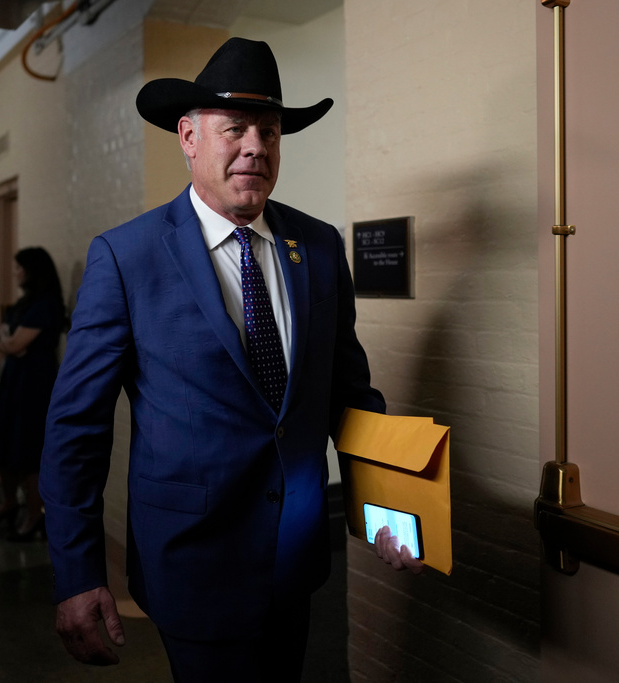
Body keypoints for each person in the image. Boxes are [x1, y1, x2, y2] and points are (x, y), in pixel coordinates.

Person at [39, 37, 422, 682]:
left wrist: (389, 509)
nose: (255, 146)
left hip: (294, 557)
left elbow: (349, 391)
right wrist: (76, 573)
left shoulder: (319, 246)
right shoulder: (126, 257)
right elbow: (77, 426)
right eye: (235, 128)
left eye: (269, 131)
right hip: (192, 561)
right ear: (188, 136)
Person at [0, 247, 66, 542]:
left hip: (34, 384)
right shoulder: (26, 303)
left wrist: (9, 341)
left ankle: (34, 514)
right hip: (15, 380)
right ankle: (10, 502)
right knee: (6, 443)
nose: (16, 273)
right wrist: (10, 342)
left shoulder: (45, 305)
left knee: (29, 448)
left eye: (20, 268)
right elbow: (6, 340)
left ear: (33, 271)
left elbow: (13, 344)